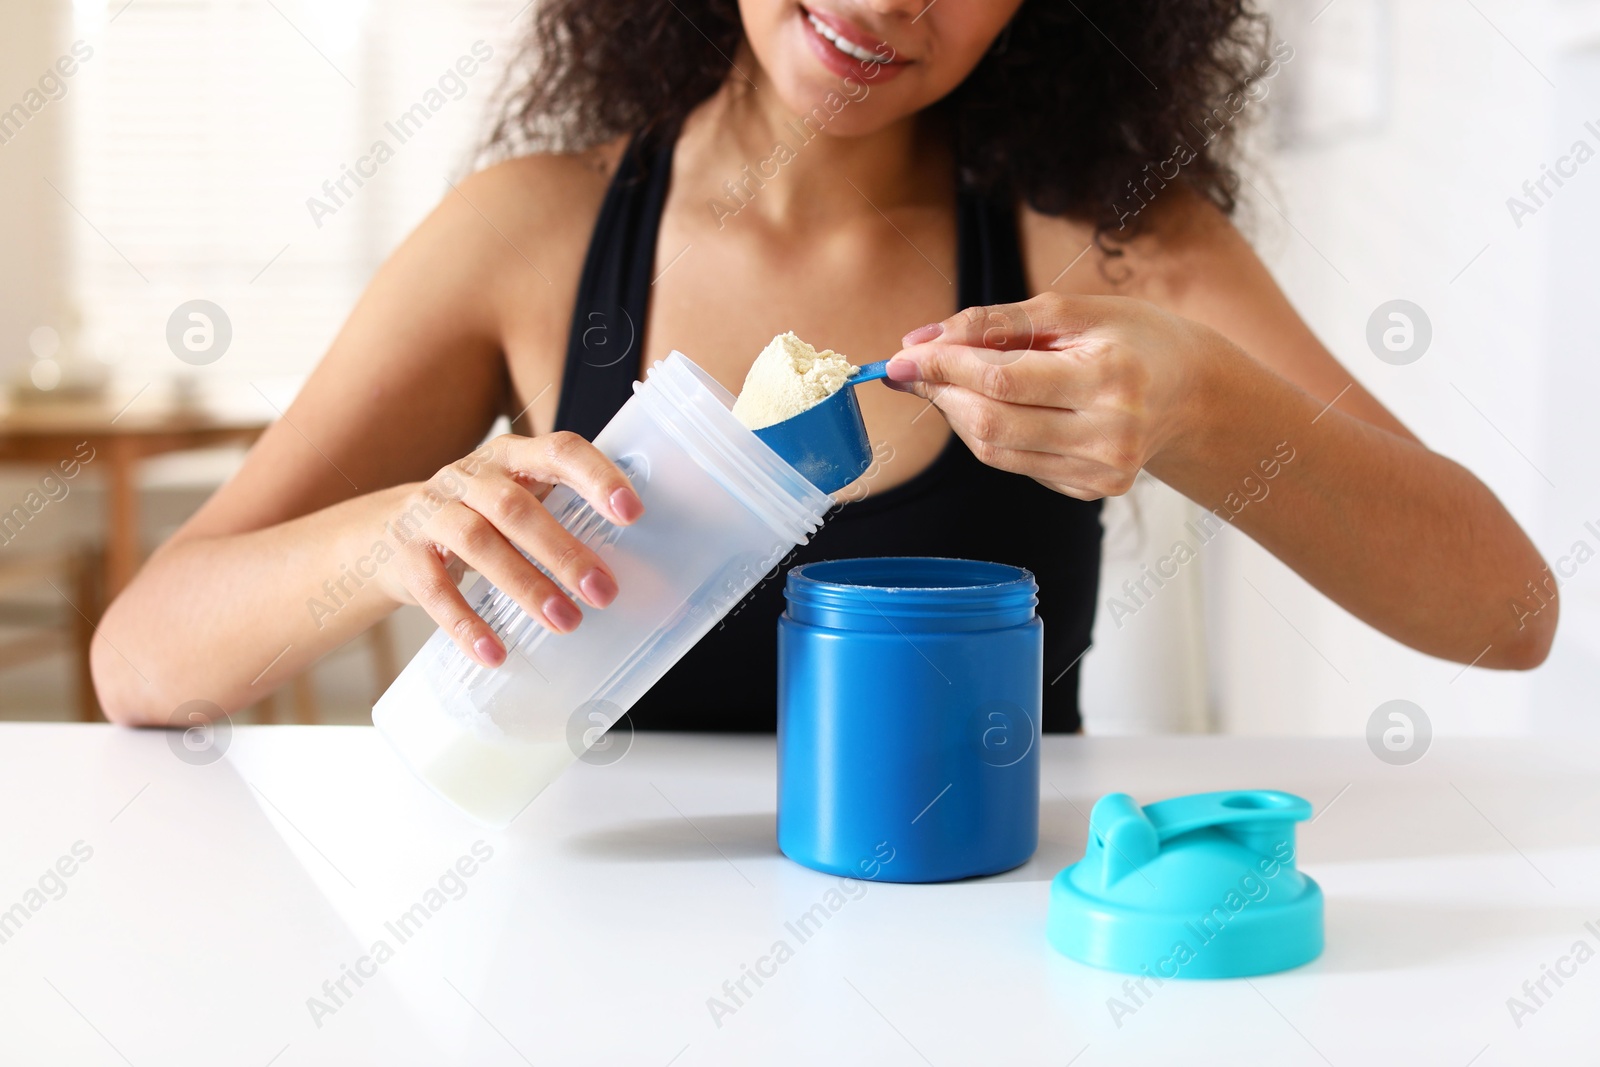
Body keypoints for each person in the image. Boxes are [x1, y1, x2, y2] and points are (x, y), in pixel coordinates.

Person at [92, 0, 1555, 731]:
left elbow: (1507, 613)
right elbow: (139, 658)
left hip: (991, 976)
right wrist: (390, 535)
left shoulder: (1109, 248)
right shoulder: (528, 239)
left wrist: (1201, 403)